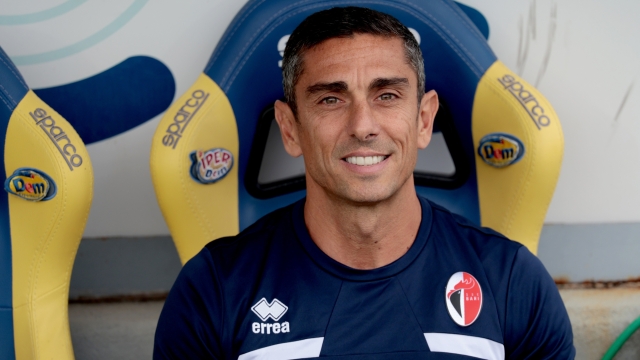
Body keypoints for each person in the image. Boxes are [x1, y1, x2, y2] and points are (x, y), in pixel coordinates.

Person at [154, 6, 575, 359]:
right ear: (289, 128)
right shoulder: (212, 289)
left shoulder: (513, 282)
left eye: (387, 95)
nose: (363, 126)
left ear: (424, 118)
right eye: (330, 99)